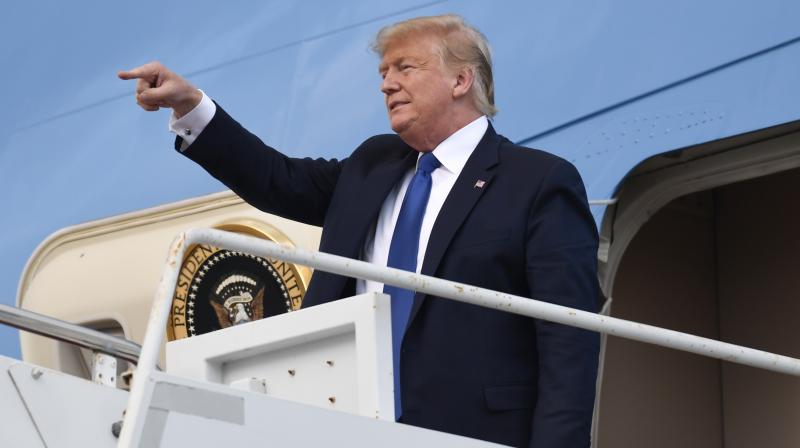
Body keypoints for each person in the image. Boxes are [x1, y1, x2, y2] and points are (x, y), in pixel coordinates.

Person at [120, 14, 600, 448]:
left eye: (404, 68)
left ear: (460, 79)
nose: (387, 84)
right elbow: (278, 180)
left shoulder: (537, 182)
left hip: (475, 432)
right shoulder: (374, 164)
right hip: (349, 426)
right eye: (383, 74)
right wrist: (192, 107)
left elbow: (568, 341)